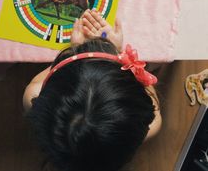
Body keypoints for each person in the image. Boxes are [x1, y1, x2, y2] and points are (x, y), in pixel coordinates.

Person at [23, 9, 162, 171]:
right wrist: (117, 53)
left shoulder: (32, 96)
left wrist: (73, 50)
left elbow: (53, 75)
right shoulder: (153, 124)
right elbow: (145, 82)